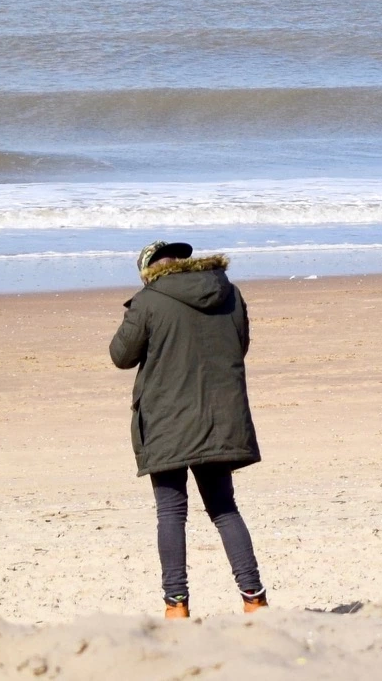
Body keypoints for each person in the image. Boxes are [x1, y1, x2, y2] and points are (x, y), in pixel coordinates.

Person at [110, 241, 268, 618]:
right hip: (219, 417)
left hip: (167, 420)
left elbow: (121, 355)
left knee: (170, 512)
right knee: (224, 509)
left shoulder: (148, 301)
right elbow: (239, 345)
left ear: (150, 272)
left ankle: (176, 606)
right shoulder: (228, 292)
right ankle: (255, 600)